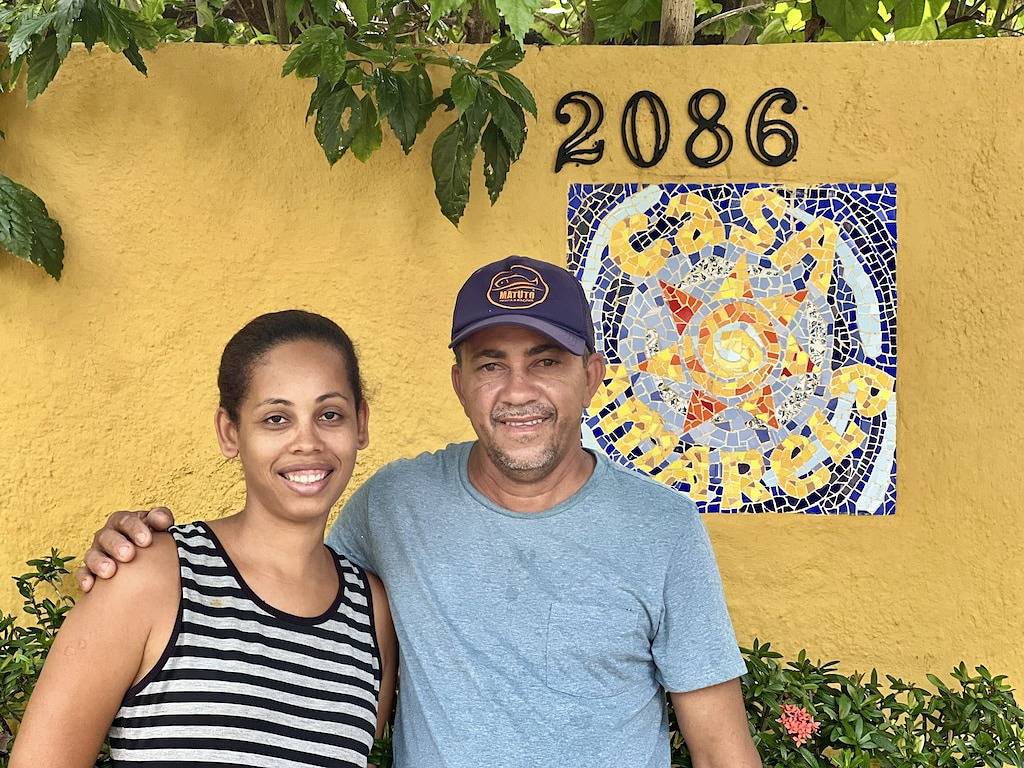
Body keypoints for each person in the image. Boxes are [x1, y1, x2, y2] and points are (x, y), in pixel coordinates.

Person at [75, 257, 762, 767]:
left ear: (591, 373)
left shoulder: (662, 528)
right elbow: (282, 582)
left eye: (546, 361)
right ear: (459, 382)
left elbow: (722, 749)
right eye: (490, 364)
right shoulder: (393, 505)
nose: (517, 391)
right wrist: (133, 552)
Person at [12, 310, 397, 768]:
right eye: (276, 418)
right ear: (230, 432)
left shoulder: (370, 614)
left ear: (362, 424)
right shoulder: (151, 573)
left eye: (329, 414)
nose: (306, 441)